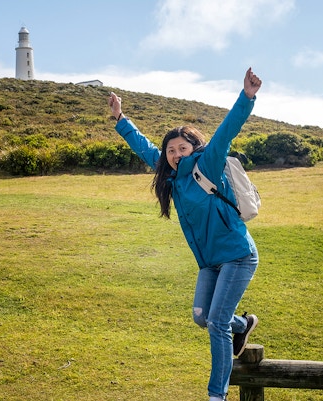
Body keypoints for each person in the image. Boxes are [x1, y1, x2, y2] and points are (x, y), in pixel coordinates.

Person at [107, 68, 262, 401]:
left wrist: (246, 97)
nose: (176, 154)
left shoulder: (207, 164)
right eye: (171, 150)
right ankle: (244, 324)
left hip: (236, 255)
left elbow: (226, 131)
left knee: (216, 324)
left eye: (182, 148)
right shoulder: (171, 175)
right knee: (202, 317)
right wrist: (121, 118)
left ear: (195, 148)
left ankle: (216, 395)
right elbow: (142, 146)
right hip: (209, 263)